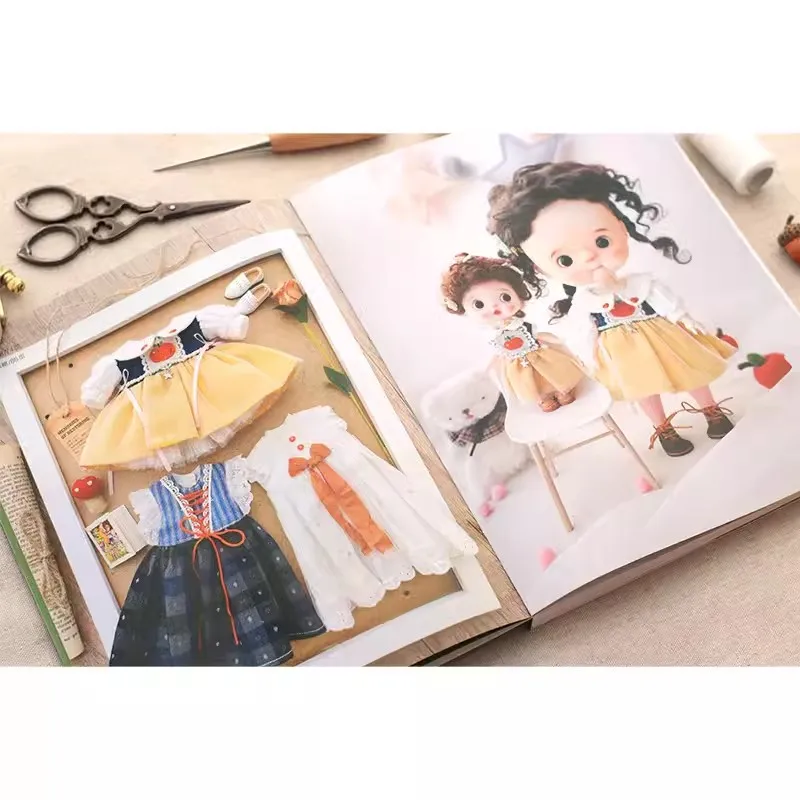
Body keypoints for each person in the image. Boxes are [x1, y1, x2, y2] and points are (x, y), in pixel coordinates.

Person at [487, 161, 737, 456]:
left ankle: (711, 410)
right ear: (540, 269)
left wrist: (683, 317)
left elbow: (664, 300)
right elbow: (585, 331)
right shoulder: (583, 302)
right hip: (622, 353)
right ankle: (663, 428)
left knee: (689, 370)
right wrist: (589, 357)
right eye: (565, 260)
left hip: (664, 337)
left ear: (621, 226)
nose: (589, 257)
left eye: (601, 241)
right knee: (643, 387)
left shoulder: (640, 283)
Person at [440, 252, 585, 412]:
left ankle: (562, 390)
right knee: (528, 382)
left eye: (505, 297)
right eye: (479, 305)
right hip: (515, 362)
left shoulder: (521, 324)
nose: (494, 307)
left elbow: (539, 334)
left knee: (553, 371)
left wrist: (555, 341)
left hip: (538, 352)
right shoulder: (492, 333)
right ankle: (543, 398)